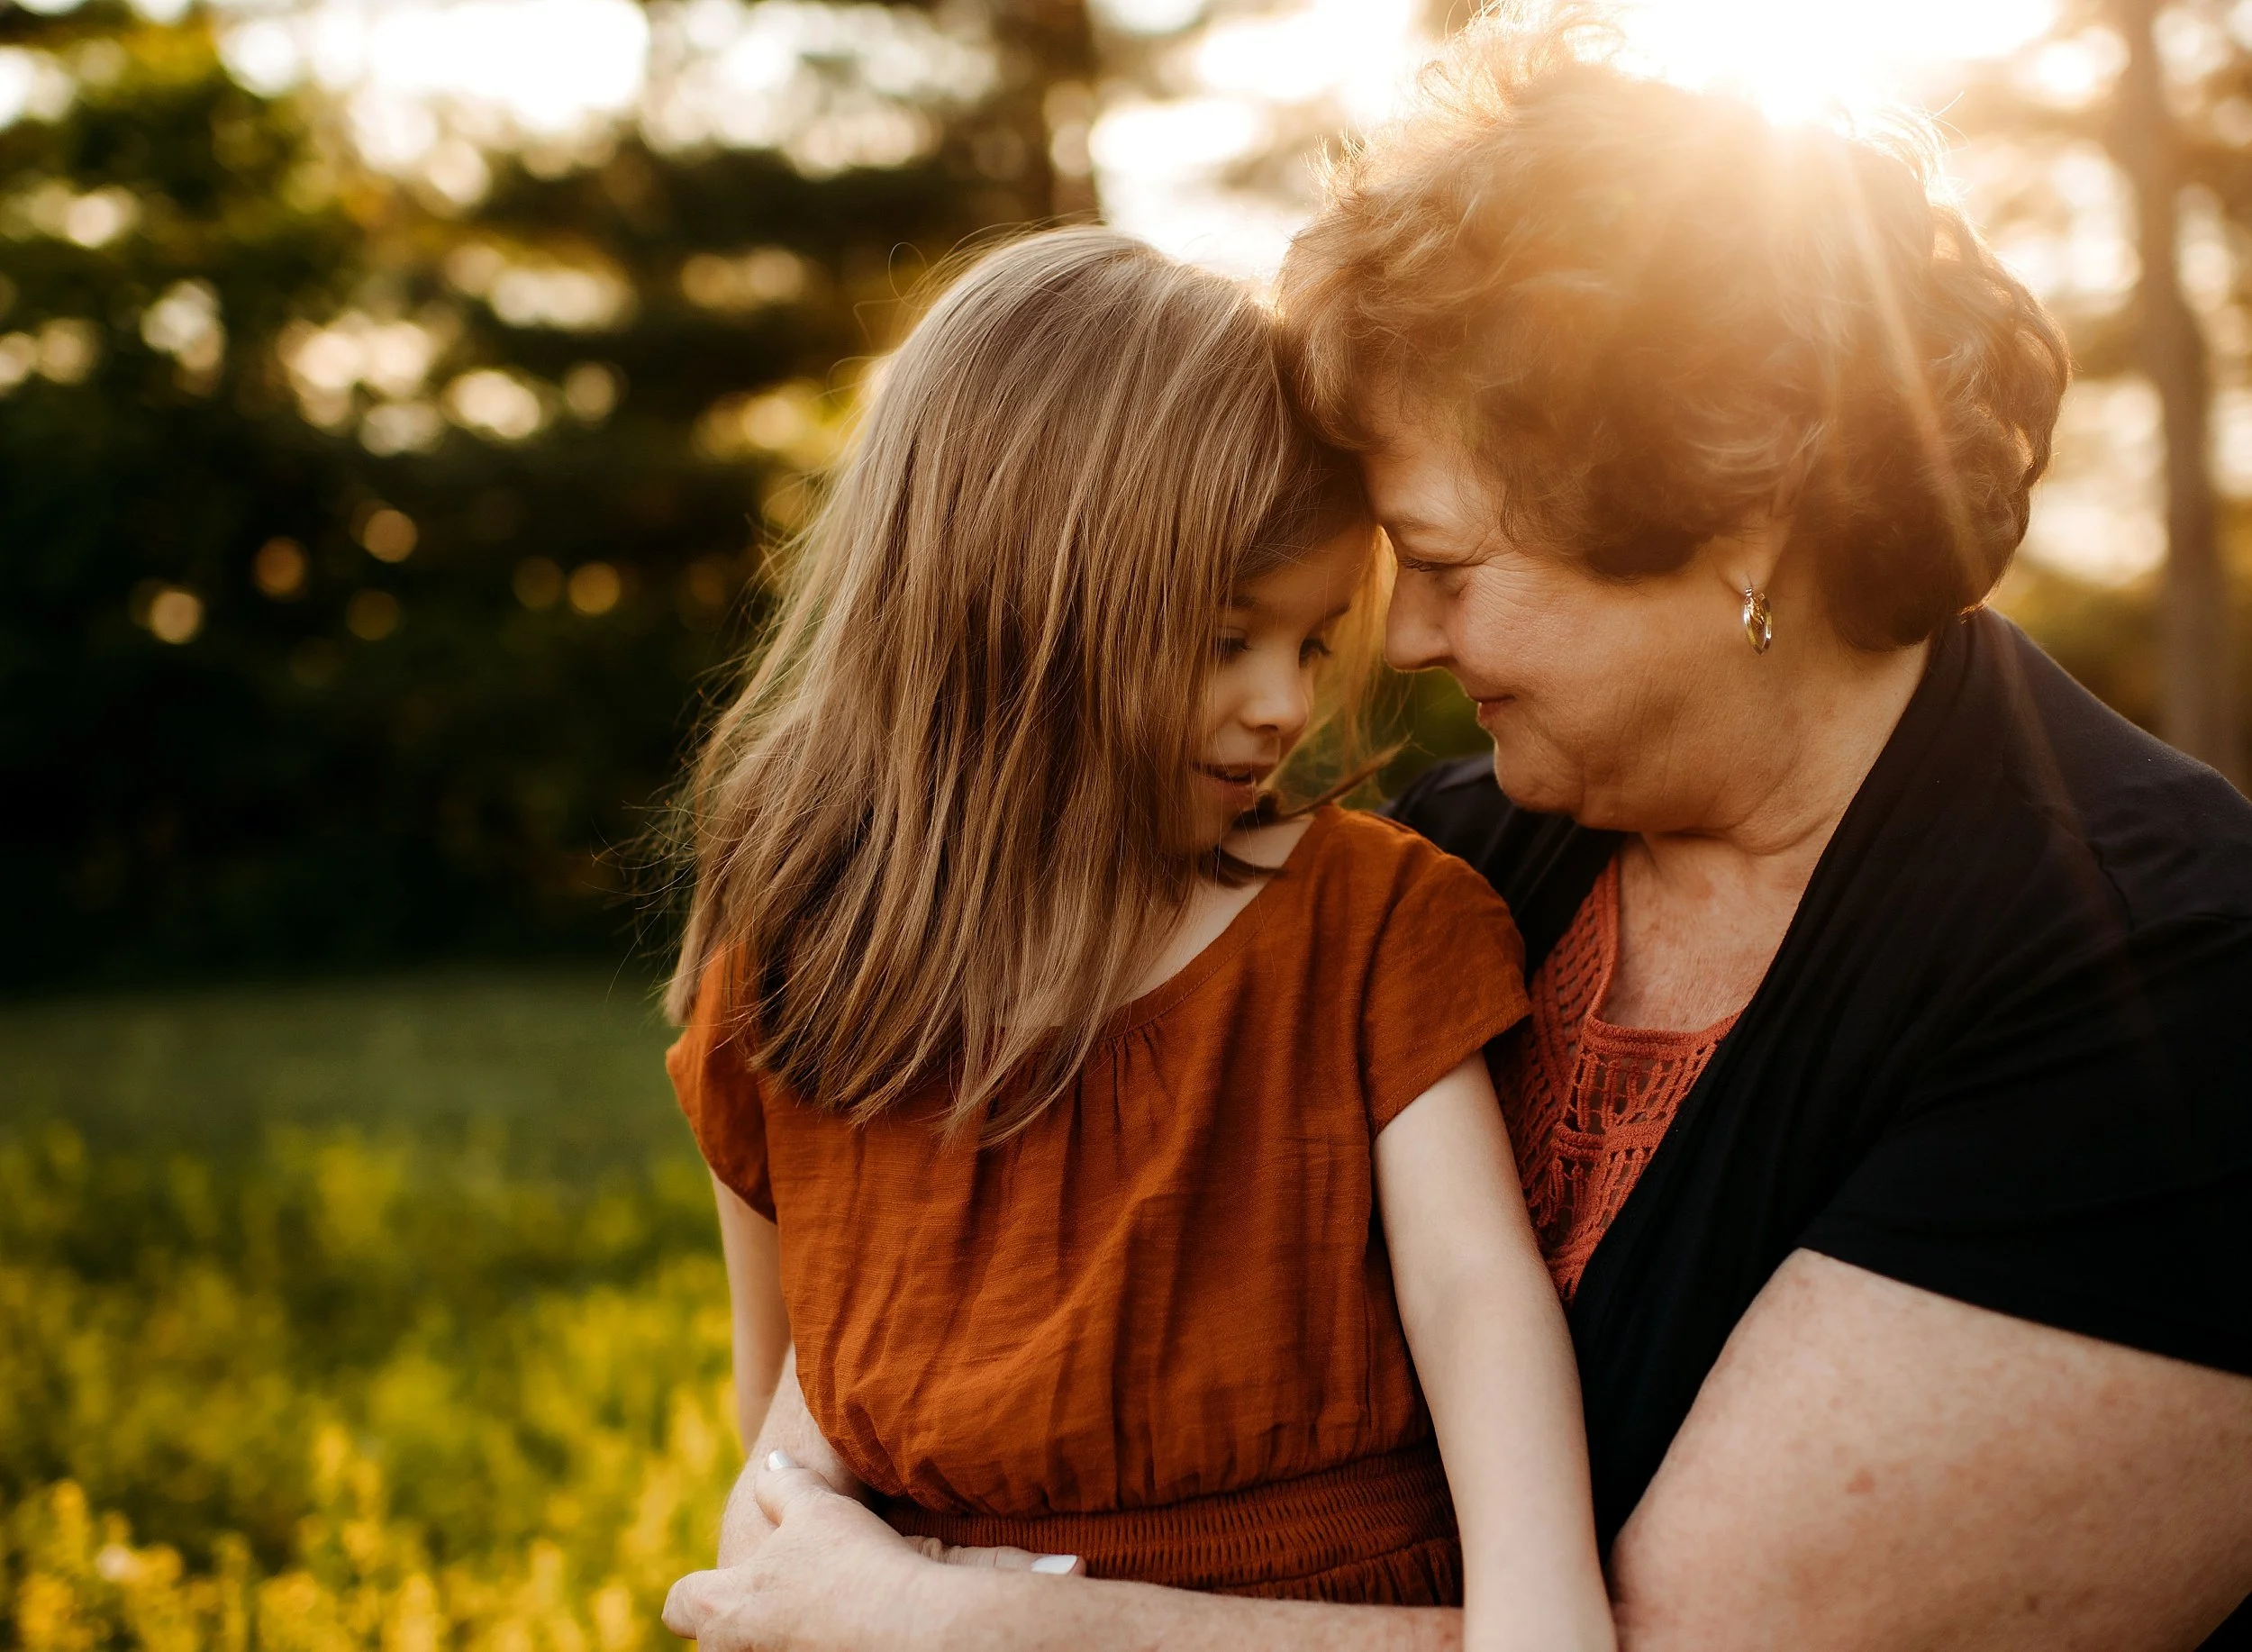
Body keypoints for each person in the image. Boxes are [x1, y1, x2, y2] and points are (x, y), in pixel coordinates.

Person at [661, 13, 2252, 1650]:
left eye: (1442, 559)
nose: (1397, 643)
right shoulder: (1474, 850)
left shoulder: (2156, 979)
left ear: (1735, 516)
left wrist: (993, 1629)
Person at [660, 227, 1617, 1650]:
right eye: (1228, 637)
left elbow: (1472, 1289)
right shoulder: (795, 985)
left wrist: (1543, 1623)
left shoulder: (1368, 921)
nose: (1286, 706)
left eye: (1305, 643)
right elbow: (788, 1410)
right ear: (1011, 605)